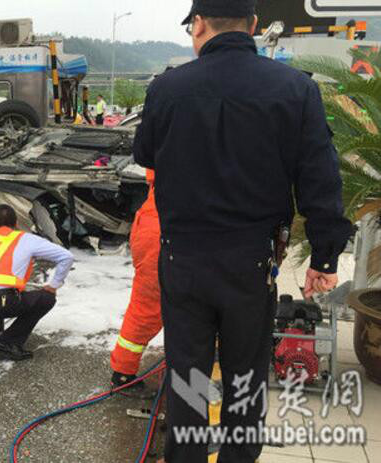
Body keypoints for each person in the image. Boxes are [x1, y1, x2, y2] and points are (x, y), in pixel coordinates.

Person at [133, 1, 352, 462]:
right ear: (252, 25)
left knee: (188, 378)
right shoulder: (294, 90)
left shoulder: (167, 88)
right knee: (245, 379)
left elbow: (146, 155)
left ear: (198, 24)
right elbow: (320, 178)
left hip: (184, 259)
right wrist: (325, 259)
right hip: (250, 263)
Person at [0, 205, 74, 361]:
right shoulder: (27, 239)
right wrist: (54, 285)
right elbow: (66, 257)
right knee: (46, 299)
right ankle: (6, 343)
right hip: (1, 301)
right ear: (16, 224)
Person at [110, 169, 162, 399]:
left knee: (147, 305)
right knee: (150, 308)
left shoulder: (167, 138)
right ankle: (123, 374)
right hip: (164, 231)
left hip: (151, 223)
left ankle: (123, 371)